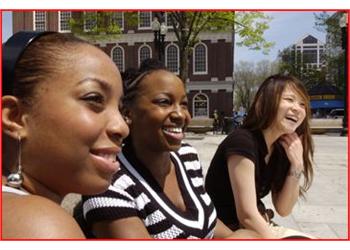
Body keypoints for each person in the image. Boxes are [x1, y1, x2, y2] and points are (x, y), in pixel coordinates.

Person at [77, 59, 259, 239]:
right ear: (127, 113)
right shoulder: (108, 183)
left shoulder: (187, 156)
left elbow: (203, 224)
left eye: (184, 104)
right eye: (164, 102)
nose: (180, 115)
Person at [2, 31, 129, 239]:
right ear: (15, 117)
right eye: (95, 99)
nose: (122, 127)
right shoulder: (41, 227)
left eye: (120, 108)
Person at [205, 74, 315, 239]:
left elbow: (284, 209)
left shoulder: (281, 147)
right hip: (230, 233)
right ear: (263, 103)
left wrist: (296, 165)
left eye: (302, 104)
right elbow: (247, 216)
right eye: (289, 99)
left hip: (258, 227)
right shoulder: (242, 142)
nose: (297, 108)